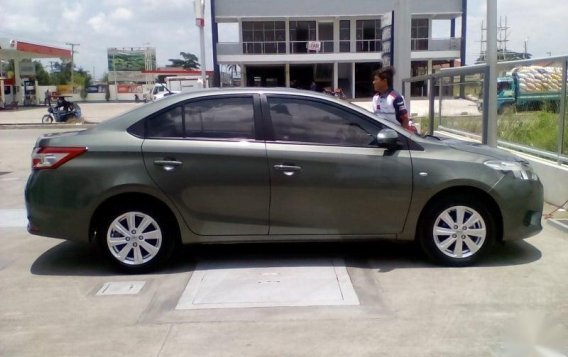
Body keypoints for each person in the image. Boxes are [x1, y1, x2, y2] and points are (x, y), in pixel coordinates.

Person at [371, 66, 412, 131]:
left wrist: (401, 137)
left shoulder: (396, 97)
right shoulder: (375, 98)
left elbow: (405, 119)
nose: (374, 82)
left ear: (384, 81)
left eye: (376, 79)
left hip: (396, 136)